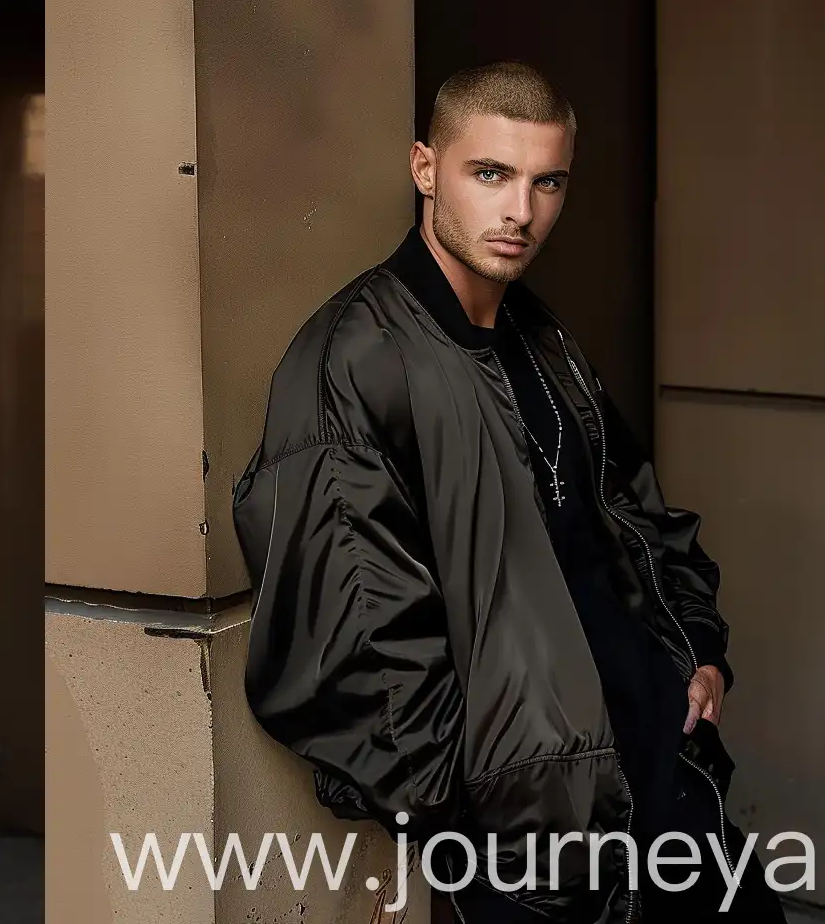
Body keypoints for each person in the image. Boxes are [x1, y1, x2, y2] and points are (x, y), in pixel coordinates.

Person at [234, 62, 784, 922]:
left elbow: (634, 508)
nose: (520, 212)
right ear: (425, 168)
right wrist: (475, 824)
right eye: (489, 174)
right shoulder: (354, 358)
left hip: (661, 774)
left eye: (546, 182)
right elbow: (356, 649)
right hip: (530, 834)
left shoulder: (539, 335)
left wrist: (698, 646)